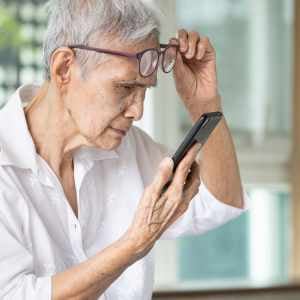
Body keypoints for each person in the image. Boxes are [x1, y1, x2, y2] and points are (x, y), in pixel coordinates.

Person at [0, 0, 248, 299]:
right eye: (125, 87)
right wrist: (135, 243)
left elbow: (222, 200)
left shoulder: (129, 149)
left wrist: (205, 104)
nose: (138, 111)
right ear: (64, 68)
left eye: (145, 90)